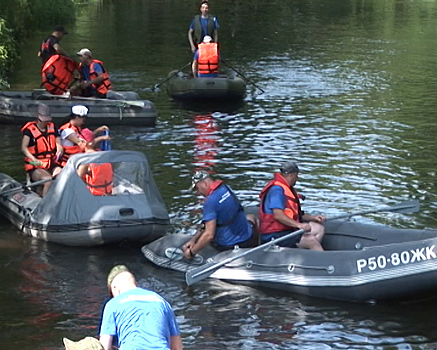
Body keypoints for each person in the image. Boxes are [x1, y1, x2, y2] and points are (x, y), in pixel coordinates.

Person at [100, 265, 183, 350]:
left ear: (114, 288)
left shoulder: (113, 303)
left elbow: (104, 346)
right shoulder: (162, 301)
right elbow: (177, 347)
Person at [183, 171, 257, 259]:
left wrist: (192, 252)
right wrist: (193, 239)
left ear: (205, 184)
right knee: (251, 217)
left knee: (207, 237)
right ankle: (256, 247)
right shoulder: (225, 188)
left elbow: (209, 235)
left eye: (197, 189)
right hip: (246, 237)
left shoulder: (210, 202)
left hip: (228, 244)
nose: (198, 193)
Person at [258, 161, 326, 251]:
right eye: (296, 175)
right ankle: (321, 261)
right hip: (274, 234)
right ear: (291, 175)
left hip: (287, 230)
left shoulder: (287, 188)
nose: (297, 178)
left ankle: (304, 255)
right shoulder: (277, 190)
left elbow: (294, 213)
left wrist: (313, 217)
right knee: (311, 240)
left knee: (319, 228)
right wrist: (299, 225)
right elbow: (278, 215)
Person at [21, 104, 63, 197]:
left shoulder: (52, 128)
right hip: (36, 165)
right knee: (48, 180)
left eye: (46, 120)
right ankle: (45, 205)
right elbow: (24, 148)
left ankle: (62, 201)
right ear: (38, 118)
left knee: (63, 176)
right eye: (42, 120)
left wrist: (59, 151)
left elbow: (58, 144)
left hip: (51, 163)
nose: (44, 123)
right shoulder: (29, 131)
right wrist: (33, 159)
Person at [76, 130, 113, 196]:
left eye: (80, 141)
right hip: (108, 192)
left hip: (94, 195)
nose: (78, 143)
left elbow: (77, 179)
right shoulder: (103, 156)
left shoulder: (86, 160)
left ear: (85, 143)